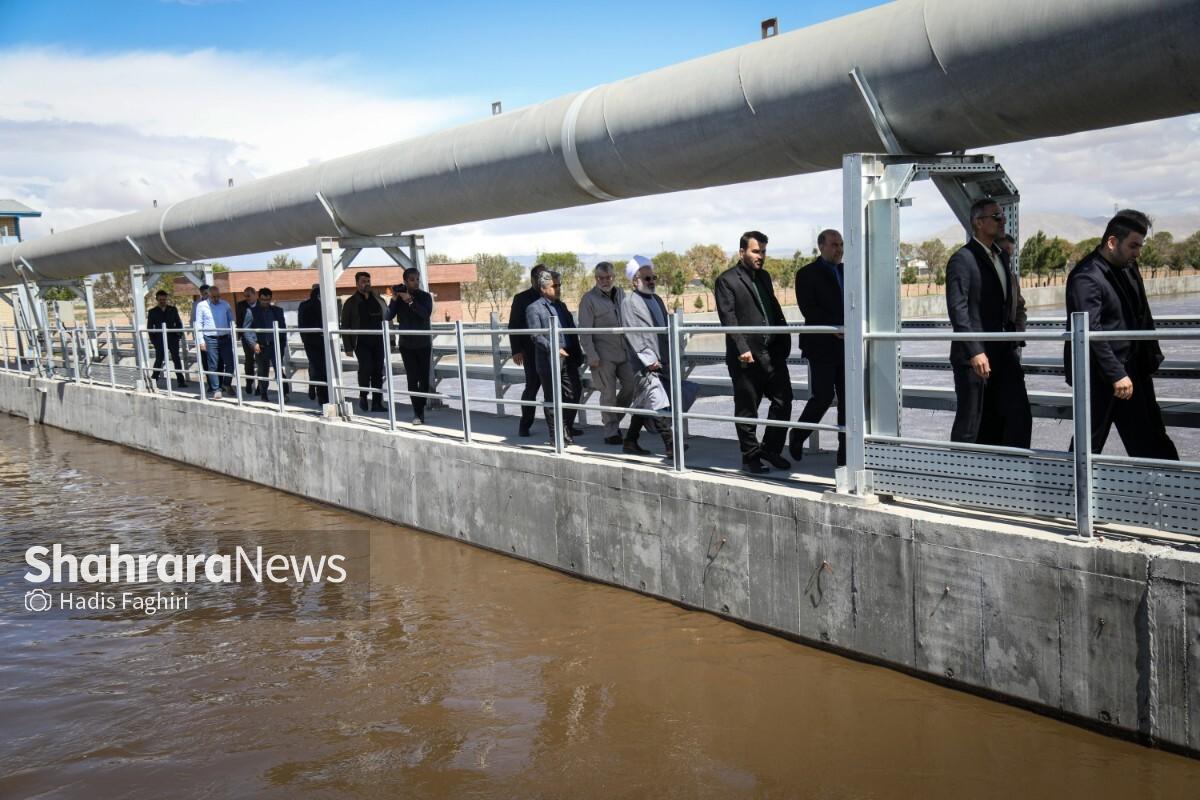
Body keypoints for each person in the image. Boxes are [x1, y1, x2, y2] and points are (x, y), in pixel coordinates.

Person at [1064, 210, 1178, 460]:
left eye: (1140, 246)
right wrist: (1116, 374)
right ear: (1112, 242)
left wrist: (1150, 356)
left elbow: (1141, 312)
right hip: (1101, 377)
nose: (1138, 253)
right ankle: (1068, 486)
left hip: (1133, 370)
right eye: (1133, 246)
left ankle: (1173, 485)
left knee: (1152, 438)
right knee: (1089, 445)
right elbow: (1090, 331)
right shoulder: (1086, 277)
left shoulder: (1127, 266)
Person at [945, 198, 1031, 447]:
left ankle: (1011, 468)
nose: (1003, 220)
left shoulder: (1001, 257)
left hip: (1004, 353)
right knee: (972, 424)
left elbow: (1012, 303)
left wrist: (1016, 336)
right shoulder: (962, 259)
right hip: (975, 358)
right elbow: (958, 309)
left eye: (1003, 216)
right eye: (996, 217)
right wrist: (975, 351)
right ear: (979, 222)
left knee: (1017, 417)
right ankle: (961, 468)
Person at [714, 230, 793, 473]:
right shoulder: (726, 280)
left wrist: (783, 337)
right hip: (746, 357)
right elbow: (728, 318)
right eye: (756, 251)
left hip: (772, 353)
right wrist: (742, 348)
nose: (761, 256)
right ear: (742, 252)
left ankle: (770, 449)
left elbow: (772, 309)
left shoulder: (765, 277)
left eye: (763, 251)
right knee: (748, 408)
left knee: (784, 400)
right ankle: (750, 456)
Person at [791, 229, 846, 466]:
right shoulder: (806, 274)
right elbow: (809, 309)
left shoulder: (847, 272)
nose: (839, 249)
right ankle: (798, 434)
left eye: (841, 244)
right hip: (822, 345)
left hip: (847, 346)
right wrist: (833, 327)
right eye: (834, 245)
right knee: (823, 396)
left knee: (848, 399)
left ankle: (845, 454)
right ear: (821, 246)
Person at [620, 256, 679, 455]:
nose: (651, 281)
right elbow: (633, 333)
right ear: (634, 281)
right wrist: (648, 358)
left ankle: (630, 441)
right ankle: (671, 445)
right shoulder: (629, 302)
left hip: (662, 358)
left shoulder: (657, 299)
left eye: (653, 278)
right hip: (644, 362)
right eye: (647, 279)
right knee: (656, 397)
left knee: (644, 400)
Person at [578, 261, 637, 444]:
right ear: (596, 279)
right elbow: (584, 332)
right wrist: (591, 355)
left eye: (608, 277)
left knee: (632, 387)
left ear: (613, 277)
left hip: (624, 352)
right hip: (602, 355)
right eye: (600, 278)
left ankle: (611, 421)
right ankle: (611, 433)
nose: (604, 281)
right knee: (608, 393)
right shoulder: (588, 300)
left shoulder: (621, 294)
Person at [525, 270, 584, 444]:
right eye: (554, 286)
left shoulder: (562, 306)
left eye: (559, 285)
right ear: (543, 288)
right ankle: (556, 437)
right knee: (552, 398)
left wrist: (578, 353)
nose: (558, 289)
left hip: (569, 357)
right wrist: (554, 348)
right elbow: (536, 336)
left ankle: (565, 427)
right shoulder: (533, 308)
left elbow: (571, 330)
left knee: (574, 393)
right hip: (549, 360)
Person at [386, 267, 434, 425]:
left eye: (417, 279)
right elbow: (387, 316)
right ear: (405, 281)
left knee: (424, 379)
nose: (416, 282)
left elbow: (424, 314)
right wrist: (394, 298)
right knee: (412, 379)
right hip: (406, 345)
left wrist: (410, 301)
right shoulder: (399, 298)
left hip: (423, 343)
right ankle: (418, 413)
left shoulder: (425, 297)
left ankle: (421, 406)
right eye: (412, 280)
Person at [508, 264, 549, 436]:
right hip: (530, 351)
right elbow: (513, 325)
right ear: (532, 279)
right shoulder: (521, 298)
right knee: (532, 387)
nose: (542, 280)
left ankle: (562, 426)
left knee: (553, 390)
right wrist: (516, 350)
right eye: (539, 277)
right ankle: (525, 424)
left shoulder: (551, 295)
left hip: (550, 350)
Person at [340, 271, 388, 412]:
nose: (366, 284)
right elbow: (345, 325)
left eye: (368, 281)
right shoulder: (351, 302)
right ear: (357, 284)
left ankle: (377, 403)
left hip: (378, 340)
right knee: (366, 368)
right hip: (361, 341)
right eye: (363, 281)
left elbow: (387, 318)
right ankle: (363, 395)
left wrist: (390, 340)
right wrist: (348, 347)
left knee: (378, 370)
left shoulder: (378, 299)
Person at [242, 286, 289, 402]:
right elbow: (246, 330)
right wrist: (253, 344)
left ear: (271, 299)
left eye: (268, 300)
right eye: (263, 300)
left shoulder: (277, 311)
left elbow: (283, 329)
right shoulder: (251, 311)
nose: (265, 302)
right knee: (263, 372)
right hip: (261, 346)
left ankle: (284, 394)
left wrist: (282, 345)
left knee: (279, 371)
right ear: (259, 298)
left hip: (275, 346)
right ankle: (264, 394)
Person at [193, 283, 236, 399]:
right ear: (208, 295)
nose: (216, 299)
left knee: (231, 363)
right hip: (210, 338)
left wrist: (232, 334)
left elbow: (231, 320)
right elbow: (198, 324)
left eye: (218, 296)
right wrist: (201, 341)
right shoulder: (201, 306)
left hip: (225, 338)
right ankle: (216, 389)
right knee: (213, 364)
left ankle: (226, 383)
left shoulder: (225, 304)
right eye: (213, 297)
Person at [146, 289, 187, 387]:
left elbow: (179, 323)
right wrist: (154, 341)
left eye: (164, 299)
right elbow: (150, 328)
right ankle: (153, 381)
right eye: (160, 299)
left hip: (173, 339)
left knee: (176, 359)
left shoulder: (173, 309)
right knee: (159, 360)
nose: (162, 301)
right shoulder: (152, 312)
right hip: (159, 340)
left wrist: (179, 335)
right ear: (157, 299)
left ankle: (181, 381)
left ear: (166, 299)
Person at [297, 284, 328, 404]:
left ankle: (314, 385)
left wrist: (304, 339)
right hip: (318, 341)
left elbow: (301, 324)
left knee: (316, 366)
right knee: (321, 368)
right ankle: (321, 395)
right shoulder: (322, 305)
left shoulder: (304, 305)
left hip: (311, 341)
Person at [235, 286, 259, 395]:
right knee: (249, 361)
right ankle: (249, 382)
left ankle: (261, 386)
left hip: (259, 337)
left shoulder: (261, 305)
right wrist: (239, 334)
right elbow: (239, 321)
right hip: (246, 336)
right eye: (245, 296)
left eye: (248, 296)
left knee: (261, 362)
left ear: (255, 295)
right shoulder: (241, 305)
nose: (247, 298)